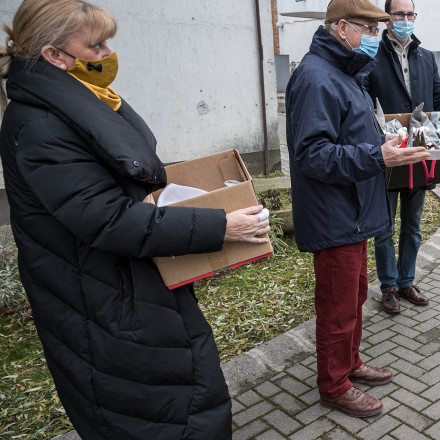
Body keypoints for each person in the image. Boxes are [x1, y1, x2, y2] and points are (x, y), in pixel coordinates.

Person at [0, 1, 270, 438]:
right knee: (166, 412)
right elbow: (108, 220)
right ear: (54, 56)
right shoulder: (41, 126)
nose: (108, 52)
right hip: (105, 304)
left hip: (119, 290)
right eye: (96, 44)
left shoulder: (73, 103)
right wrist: (222, 227)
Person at [286, 0, 430, 419]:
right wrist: (376, 156)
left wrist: (380, 138)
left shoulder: (343, 73)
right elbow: (312, 154)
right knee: (337, 305)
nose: (375, 37)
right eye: (368, 29)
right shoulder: (315, 77)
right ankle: (333, 385)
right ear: (342, 28)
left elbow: (348, 133)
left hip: (352, 211)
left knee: (354, 297)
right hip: (334, 214)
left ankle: (349, 363)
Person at [364, 0, 440, 314]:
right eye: (399, 14)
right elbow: (361, 98)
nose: (405, 19)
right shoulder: (372, 56)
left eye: (409, 14)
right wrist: (374, 131)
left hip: (420, 151)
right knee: (384, 227)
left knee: (413, 225)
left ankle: (406, 281)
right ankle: (388, 287)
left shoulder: (426, 56)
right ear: (388, 17)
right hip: (390, 150)